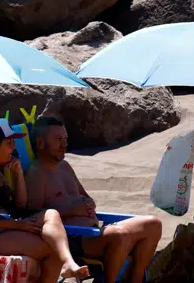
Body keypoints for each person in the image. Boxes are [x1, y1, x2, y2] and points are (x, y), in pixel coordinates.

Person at [26, 116, 164, 283]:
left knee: (153, 224)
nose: (64, 144)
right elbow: (33, 217)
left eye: (65, 139)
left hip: (94, 231)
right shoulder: (36, 174)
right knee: (120, 235)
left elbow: (86, 197)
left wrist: (88, 204)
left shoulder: (64, 167)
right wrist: (73, 211)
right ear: (40, 143)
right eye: (58, 139)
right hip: (75, 239)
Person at [0, 119, 91, 283]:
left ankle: (68, 261)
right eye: (9, 143)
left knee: (51, 214)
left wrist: (18, 174)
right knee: (51, 250)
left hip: (1, 227)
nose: (14, 147)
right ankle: (66, 262)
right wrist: (18, 225)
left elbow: (20, 206)